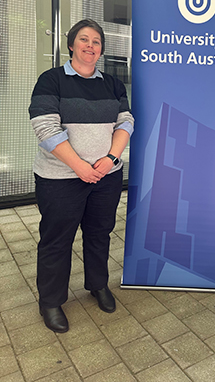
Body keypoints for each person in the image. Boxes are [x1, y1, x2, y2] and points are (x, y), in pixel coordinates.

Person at [29, 19, 134, 333]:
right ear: (71, 45)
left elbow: (125, 122)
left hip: (106, 175)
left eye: (97, 42)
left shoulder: (113, 84)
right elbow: (45, 128)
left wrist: (111, 158)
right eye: (84, 40)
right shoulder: (51, 80)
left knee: (100, 233)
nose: (91, 46)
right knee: (56, 240)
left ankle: (97, 285)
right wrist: (79, 167)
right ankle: (50, 301)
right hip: (60, 178)